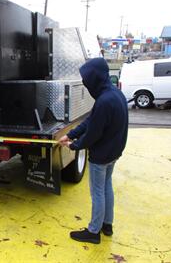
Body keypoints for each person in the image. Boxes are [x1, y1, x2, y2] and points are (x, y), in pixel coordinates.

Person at [59, 57, 128, 244]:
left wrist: (74, 146)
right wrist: (71, 134)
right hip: (113, 152)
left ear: (95, 79)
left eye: (87, 80)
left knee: (97, 192)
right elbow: (91, 121)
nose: (86, 84)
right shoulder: (114, 94)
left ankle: (93, 232)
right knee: (106, 187)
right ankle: (107, 224)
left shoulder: (104, 101)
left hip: (102, 155)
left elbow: (93, 134)